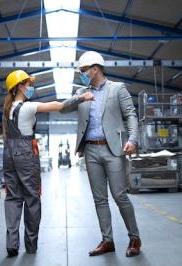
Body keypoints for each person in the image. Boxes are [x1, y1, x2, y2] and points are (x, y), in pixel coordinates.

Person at [2, 70, 92, 257]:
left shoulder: (7, 109)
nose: (30, 87)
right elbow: (59, 106)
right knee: (32, 198)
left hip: (8, 152)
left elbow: (6, 135)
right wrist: (81, 98)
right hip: (25, 150)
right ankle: (31, 245)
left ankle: (12, 243)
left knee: (12, 197)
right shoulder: (27, 107)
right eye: (28, 84)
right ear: (19, 86)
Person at [61, 51, 142, 257]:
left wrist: (132, 139)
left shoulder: (117, 89)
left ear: (94, 69)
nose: (81, 74)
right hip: (90, 150)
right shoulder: (81, 91)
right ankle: (108, 241)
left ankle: (134, 238)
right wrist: (81, 97)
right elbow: (63, 109)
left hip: (113, 149)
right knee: (99, 199)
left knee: (120, 195)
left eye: (83, 70)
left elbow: (131, 115)